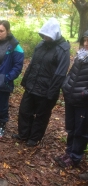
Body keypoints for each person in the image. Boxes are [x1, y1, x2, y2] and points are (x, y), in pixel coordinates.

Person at [12, 18, 70, 147]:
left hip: (47, 90)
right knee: (24, 111)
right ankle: (23, 134)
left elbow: (60, 73)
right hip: (32, 86)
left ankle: (34, 138)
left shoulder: (62, 50)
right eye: (43, 34)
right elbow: (32, 64)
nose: (45, 37)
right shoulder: (40, 45)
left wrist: (52, 92)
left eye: (47, 35)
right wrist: (26, 81)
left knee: (41, 115)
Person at [54, 30, 88, 170]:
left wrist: (83, 94)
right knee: (71, 128)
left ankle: (75, 158)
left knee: (81, 131)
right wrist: (65, 86)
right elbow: (71, 74)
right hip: (71, 98)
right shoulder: (81, 57)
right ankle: (68, 153)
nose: (86, 44)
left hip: (83, 102)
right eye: (84, 40)